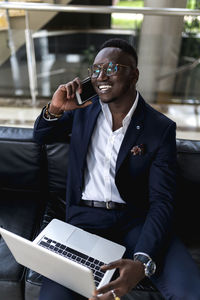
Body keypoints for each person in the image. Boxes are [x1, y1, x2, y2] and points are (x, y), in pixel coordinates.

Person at [33, 38, 200, 300]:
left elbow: (162, 200)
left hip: (135, 221)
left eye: (111, 68)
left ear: (134, 74)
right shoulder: (80, 111)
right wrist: (55, 109)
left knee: (190, 291)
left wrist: (142, 262)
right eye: (96, 70)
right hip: (84, 222)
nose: (101, 77)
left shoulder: (159, 128)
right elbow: (41, 136)